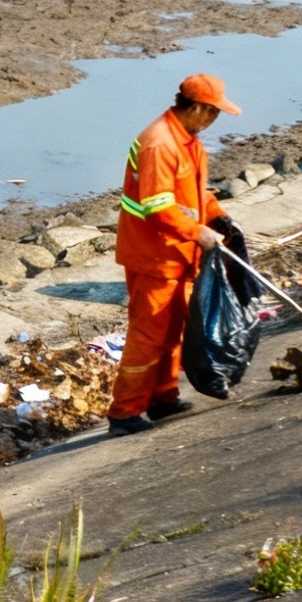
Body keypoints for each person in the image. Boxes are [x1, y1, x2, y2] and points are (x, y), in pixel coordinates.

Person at [108, 73, 240, 437]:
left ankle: (162, 398)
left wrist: (218, 216)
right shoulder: (159, 144)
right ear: (196, 107)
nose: (214, 120)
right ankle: (124, 411)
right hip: (154, 255)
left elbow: (195, 193)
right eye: (213, 113)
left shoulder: (188, 142)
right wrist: (197, 232)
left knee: (174, 328)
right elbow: (157, 208)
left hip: (177, 254)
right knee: (149, 334)